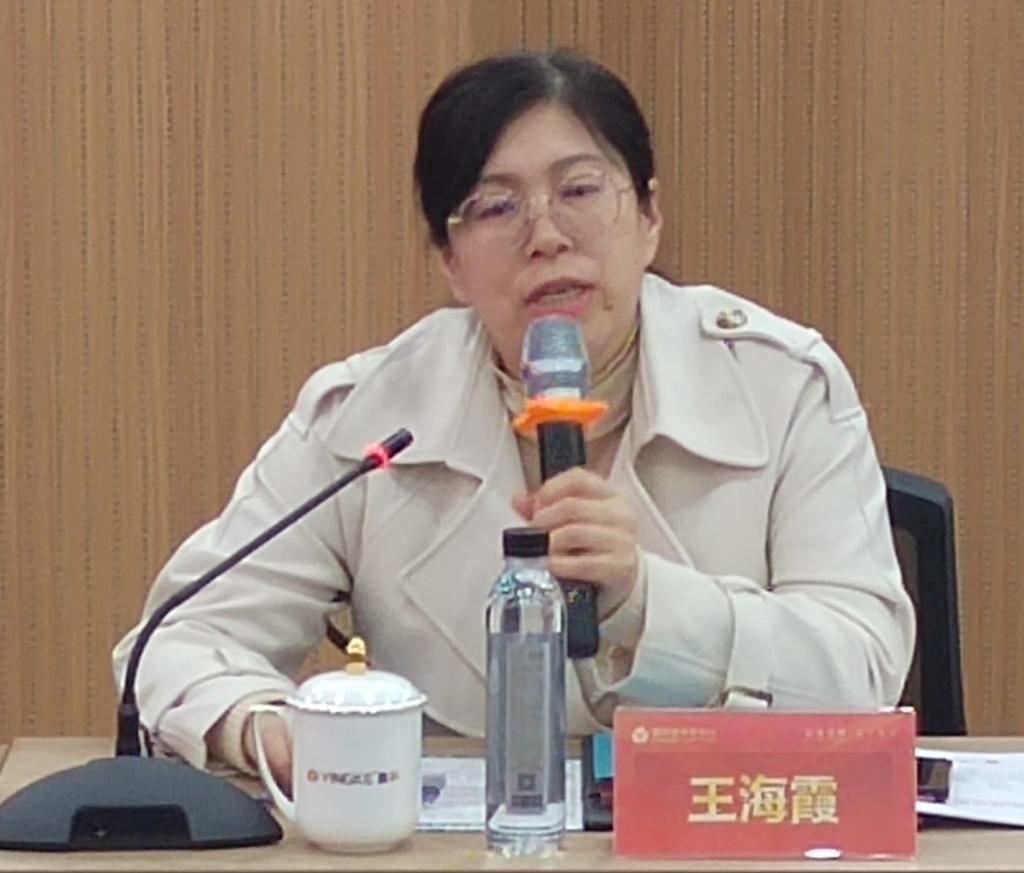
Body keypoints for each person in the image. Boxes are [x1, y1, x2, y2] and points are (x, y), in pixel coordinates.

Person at [113, 49, 915, 794]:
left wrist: (646, 602)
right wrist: (264, 728)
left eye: (580, 190)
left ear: (649, 216)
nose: (546, 237)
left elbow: (863, 669)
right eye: (496, 206)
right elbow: (173, 641)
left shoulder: (780, 384)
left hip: (721, 829)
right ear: (450, 262)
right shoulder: (373, 414)